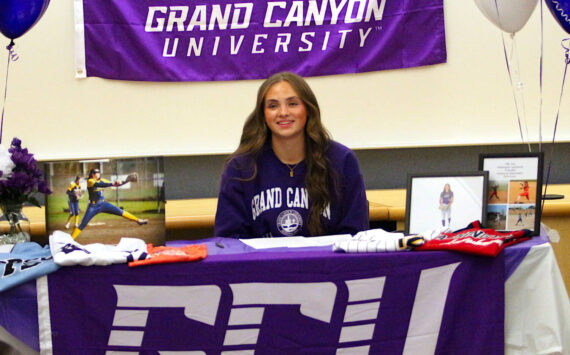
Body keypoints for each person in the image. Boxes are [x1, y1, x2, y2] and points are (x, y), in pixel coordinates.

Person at [214, 72, 369, 238]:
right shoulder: (241, 167)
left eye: (293, 104)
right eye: (273, 106)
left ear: (308, 109)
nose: (283, 112)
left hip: (324, 264)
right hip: (263, 264)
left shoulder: (342, 161)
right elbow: (228, 240)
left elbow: (356, 234)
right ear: (263, 115)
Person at [70, 169, 147, 239]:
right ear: (92, 174)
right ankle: (70, 240)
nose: (97, 174)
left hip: (102, 204)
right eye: (95, 173)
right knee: (83, 224)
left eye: (98, 172)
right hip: (93, 207)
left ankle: (138, 221)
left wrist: (126, 181)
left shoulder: (102, 180)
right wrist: (113, 183)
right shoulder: (90, 181)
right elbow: (100, 185)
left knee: (120, 212)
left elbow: (115, 184)